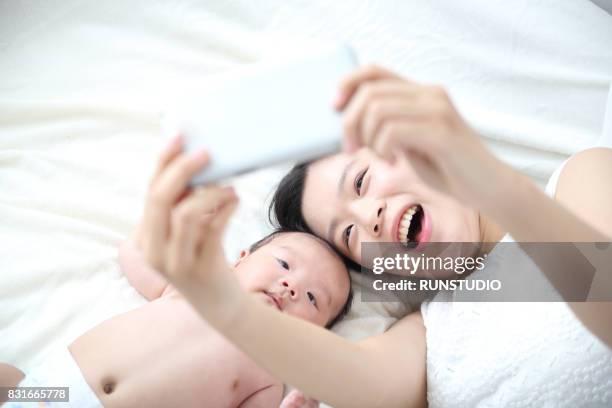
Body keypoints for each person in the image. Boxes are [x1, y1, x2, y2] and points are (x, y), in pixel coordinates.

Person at [137, 65, 612, 408]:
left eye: (361, 182)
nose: (369, 218)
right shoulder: (428, 335)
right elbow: (364, 382)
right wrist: (223, 302)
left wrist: (484, 175)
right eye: (349, 234)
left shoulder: (581, 180)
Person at [0, 140, 352, 408]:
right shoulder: (195, 288)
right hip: (48, 391)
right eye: (285, 264)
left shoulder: (269, 376)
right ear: (239, 259)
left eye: (312, 298)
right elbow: (135, 251)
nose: (291, 287)